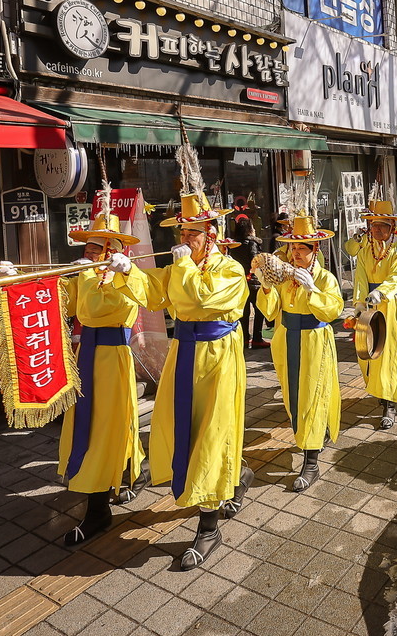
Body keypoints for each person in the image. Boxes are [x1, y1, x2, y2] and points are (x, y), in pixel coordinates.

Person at [149, 192, 251, 571]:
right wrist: (121, 272)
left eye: (192, 233)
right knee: (183, 430)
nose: (184, 240)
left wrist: (182, 270)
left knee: (213, 433)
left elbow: (204, 300)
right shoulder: (180, 266)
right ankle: (238, 474)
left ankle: (208, 528)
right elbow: (154, 295)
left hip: (218, 356)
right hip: (183, 353)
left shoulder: (230, 270)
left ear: (211, 234)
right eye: (182, 232)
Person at [58, 212, 151, 546]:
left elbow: (99, 310)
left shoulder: (127, 275)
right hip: (87, 357)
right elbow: (59, 303)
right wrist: (17, 280)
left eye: (97, 247)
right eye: (90, 246)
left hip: (112, 358)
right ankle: (129, 475)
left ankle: (101, 504)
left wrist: (86, 277)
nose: (90, 252)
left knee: (107, 426)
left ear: (113, 248)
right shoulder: (86, 272)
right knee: (102, 426)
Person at [258, 213, 343, 488]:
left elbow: (333, 310)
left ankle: (311, 462)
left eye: (301, 248)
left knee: (312, 397)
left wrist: (312, 289)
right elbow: (270, 312)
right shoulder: (284, 276)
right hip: (286, 340)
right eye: (293, 248)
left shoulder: (326, 277)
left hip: (314, 340)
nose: (295, 254)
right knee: (293, 398)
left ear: (314, 250)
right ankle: (313, 438)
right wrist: (267, 285)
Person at [344, 200, 397, 430]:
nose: (377, 230)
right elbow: (360, 279)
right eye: (374, 226)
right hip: (369, 308)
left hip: (388, 306)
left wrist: (379, 294)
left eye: (383, 226)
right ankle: (378, 390)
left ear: (392, 228)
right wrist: (360, 303)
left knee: (388, 353)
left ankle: (389, 403)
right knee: (366, 351)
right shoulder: (364, 253)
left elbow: (396, 279)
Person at [229, 216, 267, 348]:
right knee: (260, 309)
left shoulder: (234, 244)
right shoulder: (252, 243)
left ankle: (245, 338)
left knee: (244, 311)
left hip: (241, 281)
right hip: (254, 281)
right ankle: (257, 338)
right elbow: (255, 261)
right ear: (250, 230)